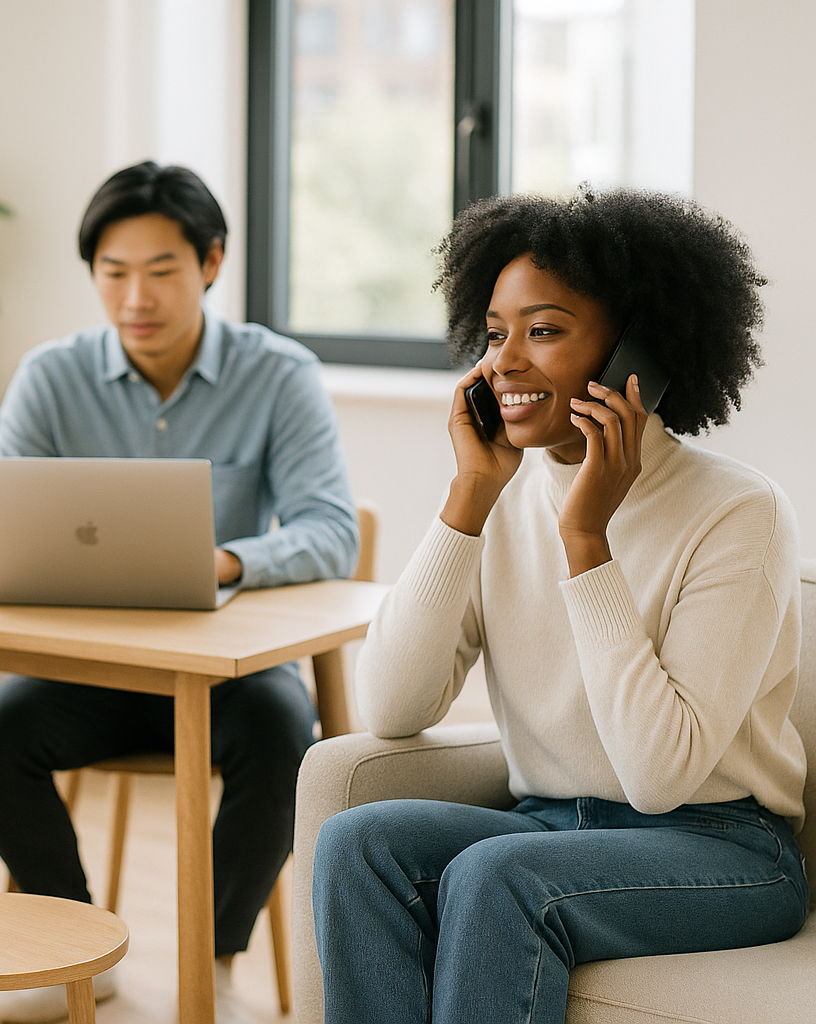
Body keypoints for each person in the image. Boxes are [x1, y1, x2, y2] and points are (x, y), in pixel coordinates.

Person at [312, 189, 807, 1024]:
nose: (505, 360)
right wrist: (469, 496)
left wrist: (588, 540)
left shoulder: (738, 513)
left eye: (543, 331)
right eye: (496, 332)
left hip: (723, 848)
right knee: (358, 842)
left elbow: (659, 776)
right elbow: (391, 706)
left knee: (499, 874)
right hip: (550, 823)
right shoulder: (500, 495)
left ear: (633, 352)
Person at [0, 162, 359, 1023]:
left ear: (211, 263)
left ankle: (215, 956)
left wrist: (230, 561)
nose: (137, 297)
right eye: (114, 272)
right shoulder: (51, 375)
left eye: (162, 271)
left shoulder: (278, 373)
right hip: (92, 670)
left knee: (288, 735)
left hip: (226, 674)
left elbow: (331, 529)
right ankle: (75, 943)